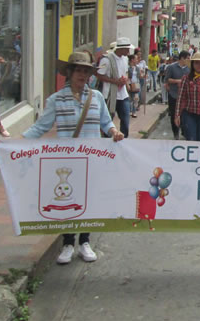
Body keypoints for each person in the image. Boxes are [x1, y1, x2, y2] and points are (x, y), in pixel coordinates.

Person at [23, 51, 124, 264]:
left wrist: (114, 132)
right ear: (69, 73)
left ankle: (84, 242)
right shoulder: (56, 100)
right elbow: (40, 127)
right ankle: (68, 243)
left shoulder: (96, 97)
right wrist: (15, 143)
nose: (81, 74)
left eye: (85, 70)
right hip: (66, 162)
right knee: (67, 202)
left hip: (92, 159)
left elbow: (106, 122)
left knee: (88, 200)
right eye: (78, 70)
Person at [96, 37, 132, 136]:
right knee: (108, 120)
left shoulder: (125, 59)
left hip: (123, 94)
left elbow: (125, 72)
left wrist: (125, 81)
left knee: (125, 119)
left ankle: (124, 138)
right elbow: (99, 75)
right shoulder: (106, 59)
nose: (128, 51)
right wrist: (115, 81)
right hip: (110, 94)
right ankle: (107, 139)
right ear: (121, 49)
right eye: (127, 49)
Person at [164, 51, 190, 139]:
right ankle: (176, 133)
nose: (188, 60)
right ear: (182, 58)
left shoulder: (189, 69)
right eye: (187, 58)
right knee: (174, 114)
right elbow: (167, 79)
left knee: (185, 114)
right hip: (173, 94)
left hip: (185, 96)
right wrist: (177, 81)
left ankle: (184, 131)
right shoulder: (171, 67)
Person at [126, 53, 141, 118]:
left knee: (136, 98)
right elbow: (127, 77)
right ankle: (129, 110)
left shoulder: (137, 68)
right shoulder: (128, 68)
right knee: (130, 98)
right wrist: (128, 84)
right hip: (130, 83)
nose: (137, 60)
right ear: (132, 60)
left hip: (136, 84)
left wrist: (143, 75)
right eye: (136, 59)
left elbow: (140, 76)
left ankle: (134, 112)